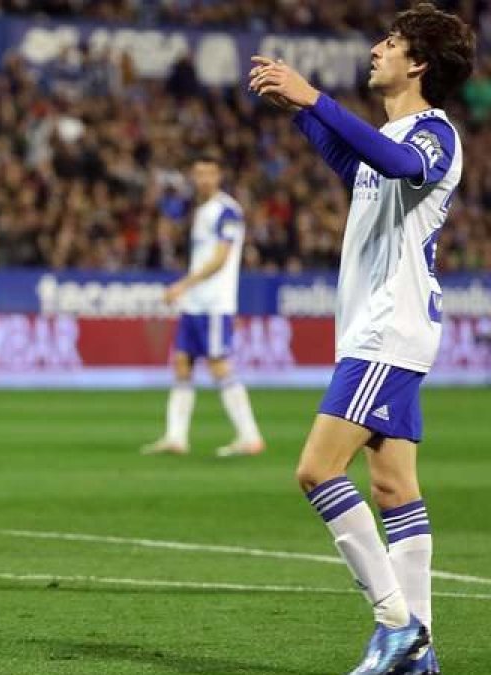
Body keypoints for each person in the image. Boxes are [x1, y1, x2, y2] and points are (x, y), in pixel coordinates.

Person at [250, 4, 474, 673]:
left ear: (420, 63)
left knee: (317, 469)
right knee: (395, 489)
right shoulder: (393, 135)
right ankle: (422, 655)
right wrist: (299, 110)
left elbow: (399, 165)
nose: (377, 48)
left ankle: (395, 624)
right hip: (379, 332)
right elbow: (361, 169)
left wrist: (315, 95)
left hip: (389, 328)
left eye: (393, 41)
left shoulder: (434, 135)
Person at [141, 152, 264, 458]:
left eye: (209, 173)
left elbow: (221, 259)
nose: (203, 179)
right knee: (182, 362)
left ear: (219, 176)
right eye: (198, 173)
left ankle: (250, 436)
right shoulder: (201, 209)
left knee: (218, 365)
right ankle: (176, 437)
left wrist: (182, 285)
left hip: (214, 302)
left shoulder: (227, 211)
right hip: (196, 303)